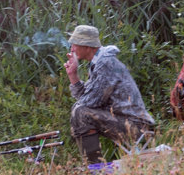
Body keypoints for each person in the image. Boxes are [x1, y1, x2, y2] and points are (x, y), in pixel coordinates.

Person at [62, 24, 155, 164]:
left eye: (75, 44)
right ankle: (94, 168)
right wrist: (73, 75)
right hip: (125, 122)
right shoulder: (98, 63)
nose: (72, 49)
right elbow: (88, 99)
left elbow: (91, 102)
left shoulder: (105, 63)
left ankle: (94, 169)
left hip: (137, 127)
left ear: (87, 46)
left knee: (80, 113)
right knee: (80, 111)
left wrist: (80, 104)